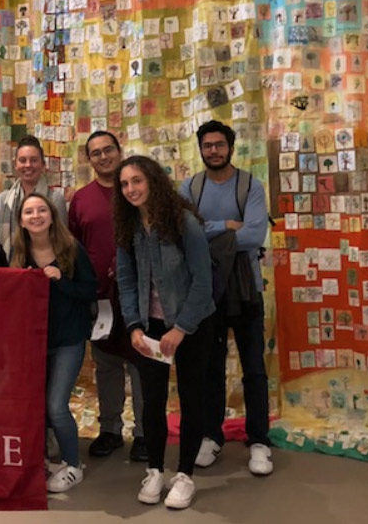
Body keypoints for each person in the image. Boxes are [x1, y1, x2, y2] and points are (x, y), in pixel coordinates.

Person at [114, 156, 214, 510]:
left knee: (191, 397)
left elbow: (204, 282)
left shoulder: (184, 223)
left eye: (137, 181)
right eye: (125, 184)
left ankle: (184, 474)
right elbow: (126, 281)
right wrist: (134, 327)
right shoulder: (128, 228)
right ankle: (155, 469)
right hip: (150, 326)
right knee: (151, 401)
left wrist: (182, 329)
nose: (131, 189)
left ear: (153, 181)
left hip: (192, 324)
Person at [178, 120, 272, 476]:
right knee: (209, 368)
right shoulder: (191, 186)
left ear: (231, 147)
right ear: (200, 149)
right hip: (205, 289)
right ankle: (210, 435)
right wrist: (227, 225)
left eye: (219, 144)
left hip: (246, 287)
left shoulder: (250, 185)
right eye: (207, 145)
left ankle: (259, 440)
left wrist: (211, 230)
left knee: (254, 368)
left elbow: (253, 235)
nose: (213, 151)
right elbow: (185, 233)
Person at [68, 130, 147, 462]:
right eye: (96, 153)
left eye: (108, 150)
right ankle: (111, 429)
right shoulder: (81, 200)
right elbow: (72, 249)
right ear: (89, 160)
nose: (103, 157)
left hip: (142, 296)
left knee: (142, 364)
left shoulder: (136, 192)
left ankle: (144, 433)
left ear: (119, 151)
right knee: (107, 366)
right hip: (100, 299)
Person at [10, 192, 97, 494]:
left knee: (56, 405)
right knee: (38, 406)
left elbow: (90, 290)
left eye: (41, 210)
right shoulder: (19, 254)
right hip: (34, 341)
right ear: (21, 220)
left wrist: (62, 280)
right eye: (29, 212)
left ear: (52, 215)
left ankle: (74, 464)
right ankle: (45, 459)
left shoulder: (71, 249)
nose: (35, 216)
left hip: (68, 340)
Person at [0, 135, 68, 258]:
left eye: (34, 160)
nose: (28, 165)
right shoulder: (3, 200)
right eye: (22, 160)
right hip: (9, 269)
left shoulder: (55, 199)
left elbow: (62, 241)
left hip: (46, 268)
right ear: (15, 165)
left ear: (43, 165)